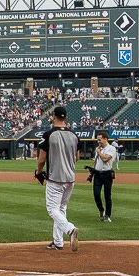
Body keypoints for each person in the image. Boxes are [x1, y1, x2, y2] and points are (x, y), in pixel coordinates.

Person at [36, 106, 80, 251]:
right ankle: (58, 242)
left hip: (55, 177)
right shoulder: (74, 135)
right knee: (61, 208)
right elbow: (77, 157)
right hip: (70, 177)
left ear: (54, 117)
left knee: (52, 209)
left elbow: (42, 159)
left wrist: (39, 171)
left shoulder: (48, 134)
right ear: (65, 117)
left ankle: (70, 229)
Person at [90, 129, 119, 222]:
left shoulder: (111, 148)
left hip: (107, 174)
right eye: (97, 140)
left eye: (99, 139)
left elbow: (105, 159)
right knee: (96, 194)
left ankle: (107, 215)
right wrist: (91, 173)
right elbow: (95, 161)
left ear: (105, 139)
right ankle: (101, 210)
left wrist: (98, 152)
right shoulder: (99, 148)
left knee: (107, 195)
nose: (98, 141)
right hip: (98, 174)